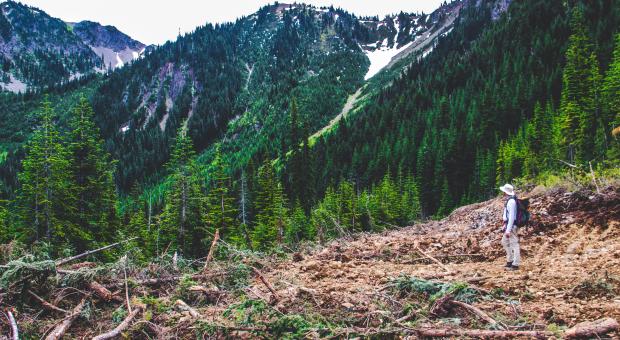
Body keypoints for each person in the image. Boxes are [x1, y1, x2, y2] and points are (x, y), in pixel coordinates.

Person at [499, 183, 520, 271]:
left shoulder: (511, 202)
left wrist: (508, 230)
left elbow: (511, 217)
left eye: (503, 192)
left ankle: (515, 264)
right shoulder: (510, 200)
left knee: (514, 244)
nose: (503, 193)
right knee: (504, 242)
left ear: (505, 192)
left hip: (512, 226)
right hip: (509, 226)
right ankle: (510, 260)